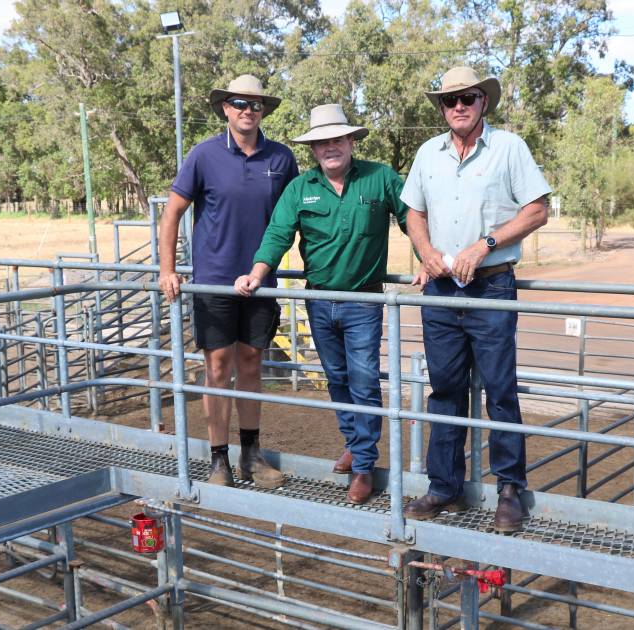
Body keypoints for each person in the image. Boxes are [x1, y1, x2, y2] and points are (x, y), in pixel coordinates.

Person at [400, 66, 551, 532]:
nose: (459, 106)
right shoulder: (429, 154)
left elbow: (538, 210)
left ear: (484, 101)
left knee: (500, 390)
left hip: (490, 283)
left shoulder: (509, 148)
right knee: (444, 388)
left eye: (467, 97)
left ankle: (509, 489)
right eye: (450, 101)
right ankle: (444, 486)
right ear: (442, 108)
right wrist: (426, 253)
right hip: (442, 289)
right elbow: (413, 212)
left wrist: (484, 245)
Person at [235, 104, 408, 504]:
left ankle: (364, 465)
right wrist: (257, 274)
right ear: (313, 149)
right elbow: (278, 234)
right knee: (337, 379)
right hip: (318, 299)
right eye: (321, 142)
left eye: (337, 139)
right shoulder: (300, 188)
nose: (330, 147)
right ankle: (354, 440)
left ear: (351, 141)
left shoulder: (380, 178)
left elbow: (412, 217)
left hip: (361, 300)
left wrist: (428, 258)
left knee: (363, 380)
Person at [158, 74, 298, 489]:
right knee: (217, 367)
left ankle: (251, 456)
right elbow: (172, 214)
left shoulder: (282, 158)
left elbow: (294, 216)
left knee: (253, 363)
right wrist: (168, 270)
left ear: (263, 111)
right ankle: (218, 458)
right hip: (214, 282)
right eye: (239, 103)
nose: (247, 111)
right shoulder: (203, 156)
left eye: (255, 105)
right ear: (225, 108)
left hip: (261, 280)